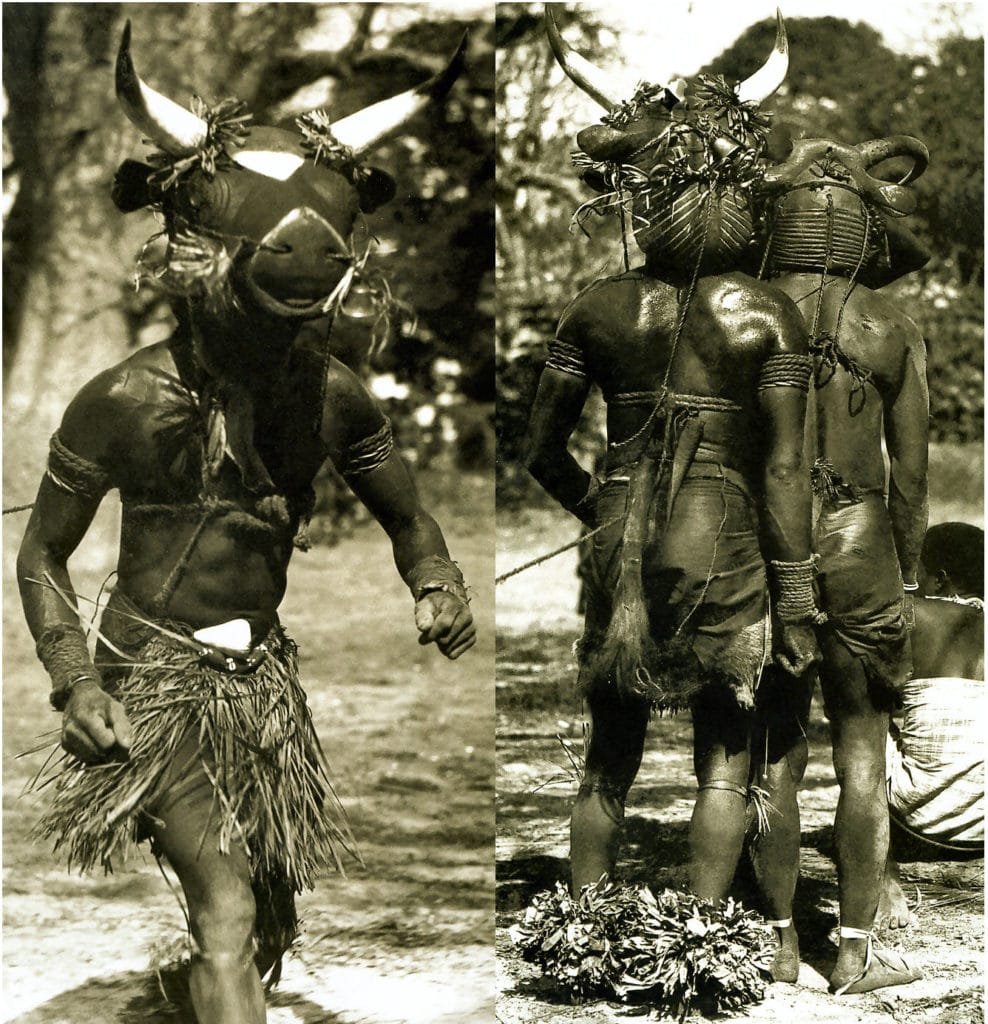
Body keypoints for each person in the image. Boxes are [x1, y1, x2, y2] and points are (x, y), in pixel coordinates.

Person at [17, 25, 474, 1024]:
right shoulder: (123, 398)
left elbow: (410, 519)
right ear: (191, 261)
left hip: (263, 679)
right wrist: (76, 679)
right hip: (154, 679)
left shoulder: (333, 396)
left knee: (266, 933)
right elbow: (42, 552)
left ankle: (187, 995)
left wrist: (435, 577)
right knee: (224, 910)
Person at [527, 8, 819, 957]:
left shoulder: (597, 308)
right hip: (725, 544)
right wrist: (798, 592)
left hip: (617, 541)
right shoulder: (767, 315)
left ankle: (574, 937)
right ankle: (703, 947)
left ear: (640, 200)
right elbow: (779, 470)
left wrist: (599, 515)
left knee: (608, 759)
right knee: (722, 764)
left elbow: (537, 451)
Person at [757, 132, 932, 994]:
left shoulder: (743, 307)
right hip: (862, 543)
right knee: (863, 753)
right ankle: (856, 952)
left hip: (771, 547)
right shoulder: (890, 324)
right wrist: (905, 577)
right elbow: (910, 481)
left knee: (775, 751)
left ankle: (782, 944)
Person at [880, 523, 984, 930]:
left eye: (916, 571)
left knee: (859, 726)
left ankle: (884, 876)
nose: (912, 581)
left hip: (922, 819)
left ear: (940, 577)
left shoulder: (913, 616)